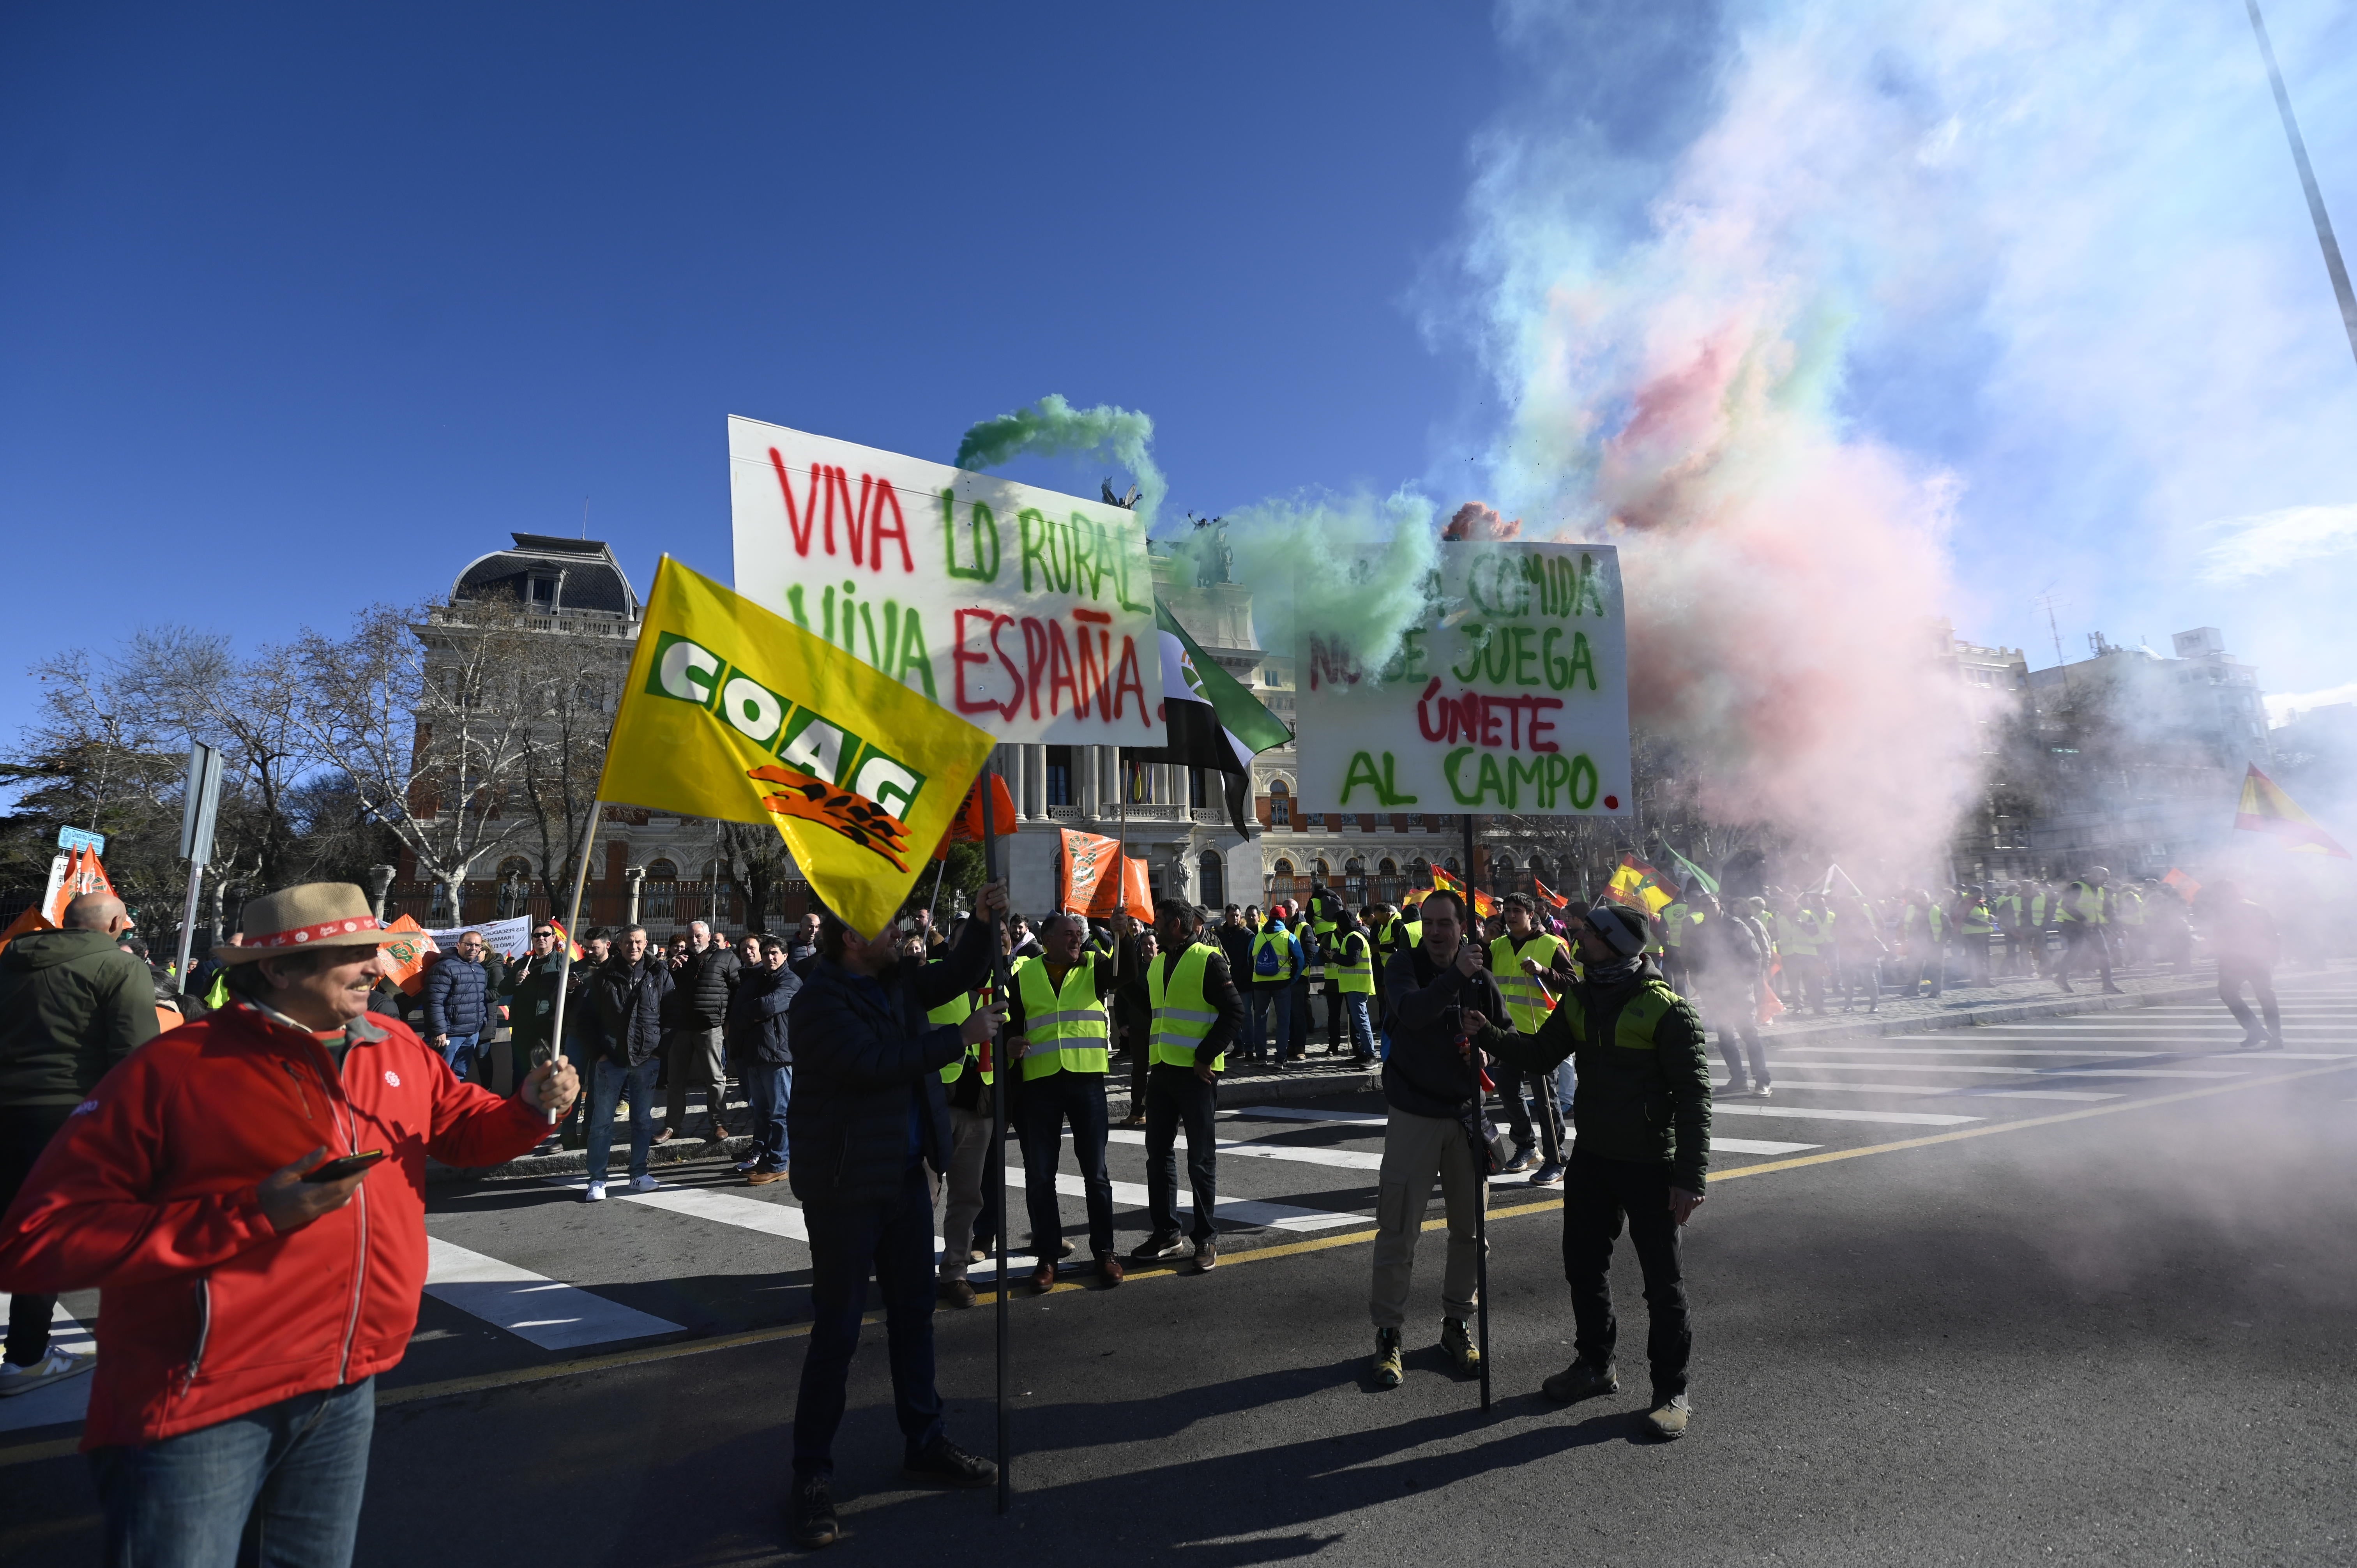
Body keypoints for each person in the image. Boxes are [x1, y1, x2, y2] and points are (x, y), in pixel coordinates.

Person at [0, 882, 574, 1561]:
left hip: (345, 1382)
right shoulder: (174, 1067)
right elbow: (35, 1239)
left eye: (375, 950)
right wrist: (247, 1215)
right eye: (353, 954)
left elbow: (462, 1132)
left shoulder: (395, 1043)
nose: (377, 966)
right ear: (277, 968)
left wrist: (530, 1108)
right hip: (200, 1400)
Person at [785, 888, 1007, 1548]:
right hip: (846, 1189)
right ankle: (811, 1474)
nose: (899, 932)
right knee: (837, 1334)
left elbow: (957, 974)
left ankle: (925, 1440)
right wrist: (957, 1039)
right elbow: (871, 1064)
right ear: (852, 939)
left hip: (906, 1180)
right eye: (886, 925)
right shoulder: (817, 1000)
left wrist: (982, 923)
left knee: (915, 1317)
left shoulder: (898, 981)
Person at [1470, 901, 1712, 1441]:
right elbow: (1540, 1054)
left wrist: (1690, 1179)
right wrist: (1487, 1033)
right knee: (1583, 1266)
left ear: (1617, 944)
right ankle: (1595, 1365)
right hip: (1594, 1159)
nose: (1579, 936)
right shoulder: (1579, 998)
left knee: (1663, 1283)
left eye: (1591, 932)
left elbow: (1695, 1099)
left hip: (1652, 1164)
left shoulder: (1668, 1010)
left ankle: (1671, 1391)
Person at [0, 892, 160, 1398]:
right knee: (44, 1235)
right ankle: (27, 1357)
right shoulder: (120, 967)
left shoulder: (10, 959)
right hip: (65, 1115)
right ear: (114, 925)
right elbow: (134, 1056)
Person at [1367, 888, 1501, 1390]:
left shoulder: (1480, 976)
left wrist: (1487, 1052)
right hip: (1414, 1115)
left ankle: (1457, 1324)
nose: (1437, 932)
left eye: (1446, 923)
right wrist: (1456, 977)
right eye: (1429, 923)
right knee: (1399, 1231)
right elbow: (1413, 1011)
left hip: (1465, 1117)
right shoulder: (1405, 965)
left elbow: (1503, 1031)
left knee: (1471, 1232)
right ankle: (1388, 1333)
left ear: (1463, 927)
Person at [1007, 911, 1125, 1290]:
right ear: (1047, 940)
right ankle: (1047, 1256)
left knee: (1096, 1174)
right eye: (1069, 934)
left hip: (1086, 1081)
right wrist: (1009, 1043)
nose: (1077, 939)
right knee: (1041, 1176)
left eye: (1079, 933)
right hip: (1040, 1085)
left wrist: (1121, 937)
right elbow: (1009, 1023)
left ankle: (1105, 1252)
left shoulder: (1094, 964)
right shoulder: (1024, 974)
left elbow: (1125, 976)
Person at [1129, 900, 1247, 1274]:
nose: (1154, 927)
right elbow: (1153, 1008)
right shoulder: (1158, 963)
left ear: (1178, 925)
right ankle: (1167, 1233)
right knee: (1158, 1155)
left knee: (1200, 1159)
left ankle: (1206, 1237)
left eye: (1160, 921)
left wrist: (1205, 1056)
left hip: (1197, 1075)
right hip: (1163, 1071)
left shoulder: (1208, 959)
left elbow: (1235, 1012)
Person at [1486, 893, 1574, 1184]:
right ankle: (1526, 1146)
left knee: (1545, 1098)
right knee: (1509, 1094)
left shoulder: (1550, 944)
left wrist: (1543, 970)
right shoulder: (1497, 945)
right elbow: (1477, 974)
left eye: (1517, 911)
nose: (1511, 916)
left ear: (1530, 914)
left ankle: (1557, 1158)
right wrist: (1483, 942)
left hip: (1540, 1033)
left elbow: (1571, 983)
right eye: (1508, 911)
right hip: (1505, 1033)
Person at [584, 926, 673, 1202]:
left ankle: (639, 1174)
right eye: (628, 942)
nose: (633, 947)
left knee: (643, 1121)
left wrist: (660, 1051)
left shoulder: (659, 973)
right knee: (602, 1122)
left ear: (646, 943)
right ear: (619, 945)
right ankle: (597, 1179)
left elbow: (672, 1013)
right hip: (611, 1059)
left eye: (638, 942)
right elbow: (587, 1017)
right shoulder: (603, 974)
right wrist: (599, 1052)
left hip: (647, 1058)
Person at [730, 932, 800, 1182]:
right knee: (761, 1113)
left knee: (780, 1113)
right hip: (754, 1055)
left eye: (774, 953)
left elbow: (767, 1006)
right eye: (766, 953)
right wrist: (752, 1010)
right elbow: (739, 1009)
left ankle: (779, 1164)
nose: (770, 957)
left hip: (778, 1057)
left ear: (785, 956)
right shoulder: (759, 979)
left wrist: (751, 1009)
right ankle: (765, 1160)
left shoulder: (791, 981)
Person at [666, 919, 740, 1150]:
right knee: (675, 1080)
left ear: (709, 936)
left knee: (715, 1078)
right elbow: (665, 990)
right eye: (690, 937)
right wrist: (669, 969)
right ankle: (672, 1125)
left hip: (711, 1027)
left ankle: (719, 1123)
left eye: (698, 936)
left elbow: (738, 989)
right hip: (682, 1028)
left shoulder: (726, 958)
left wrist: (729, 1021)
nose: (694, 940)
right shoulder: (680, 961)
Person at [2202, 882, 2283, 1048]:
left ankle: (2254, 1029)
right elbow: (2272, 933)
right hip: (2259, 957)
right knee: (2266, 996)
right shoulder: (2257, 907)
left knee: (2227, 993)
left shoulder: (2224, 911)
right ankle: (2276, 1037)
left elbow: (2220, 937)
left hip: (2235, 959)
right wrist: (2274, 955)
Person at [421, 929, 492, 1081]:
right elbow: (434, 1002)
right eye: (469, 944)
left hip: (472, 1034)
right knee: (439, 1077)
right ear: (459, 945)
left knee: (458, 1076)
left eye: (477, 946)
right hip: (449, 1035)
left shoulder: (480, 969)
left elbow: (480, 999)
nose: (473, 948)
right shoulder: (444, 967)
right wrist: (439, 1031)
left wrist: (482, 1022)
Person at [2053, 868, 2123, 995]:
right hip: (2073, 924)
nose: (2106, 881)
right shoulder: (2076, 887)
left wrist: (2116, 926)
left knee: (2103, 953)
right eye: (2104, 878)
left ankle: (2108, 985)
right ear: (2094, 876)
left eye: (2107, 878)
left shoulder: (2100, 890)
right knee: (2075, 951)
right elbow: (2067, 906)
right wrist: (2083, 920)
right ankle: (2061, 977)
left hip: (2092, 925)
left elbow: (2108, 910)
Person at [1248, 913, 1304, 1068]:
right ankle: (1280, 1059)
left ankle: (1261, 1057)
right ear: (1283, 920)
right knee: (1283, 1021)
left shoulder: (1257, 937)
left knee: (1260, 1020)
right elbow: (1300, 960)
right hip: (1282, 984)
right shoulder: (1288, 937)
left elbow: (1249, 959)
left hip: (1260, 984)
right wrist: (1292, 980)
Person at [1328, 907, 1380, 1065]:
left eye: (1338, 923)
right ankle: (1364, 1054)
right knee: (1360, 1022)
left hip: (1357, 985)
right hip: (1356, 985)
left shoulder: (1353, 937)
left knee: (1362, 1022)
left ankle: (1371, 1055)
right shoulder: (1356, 936)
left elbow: (1352, 960)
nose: (1337, 926)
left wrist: (1335, 956)